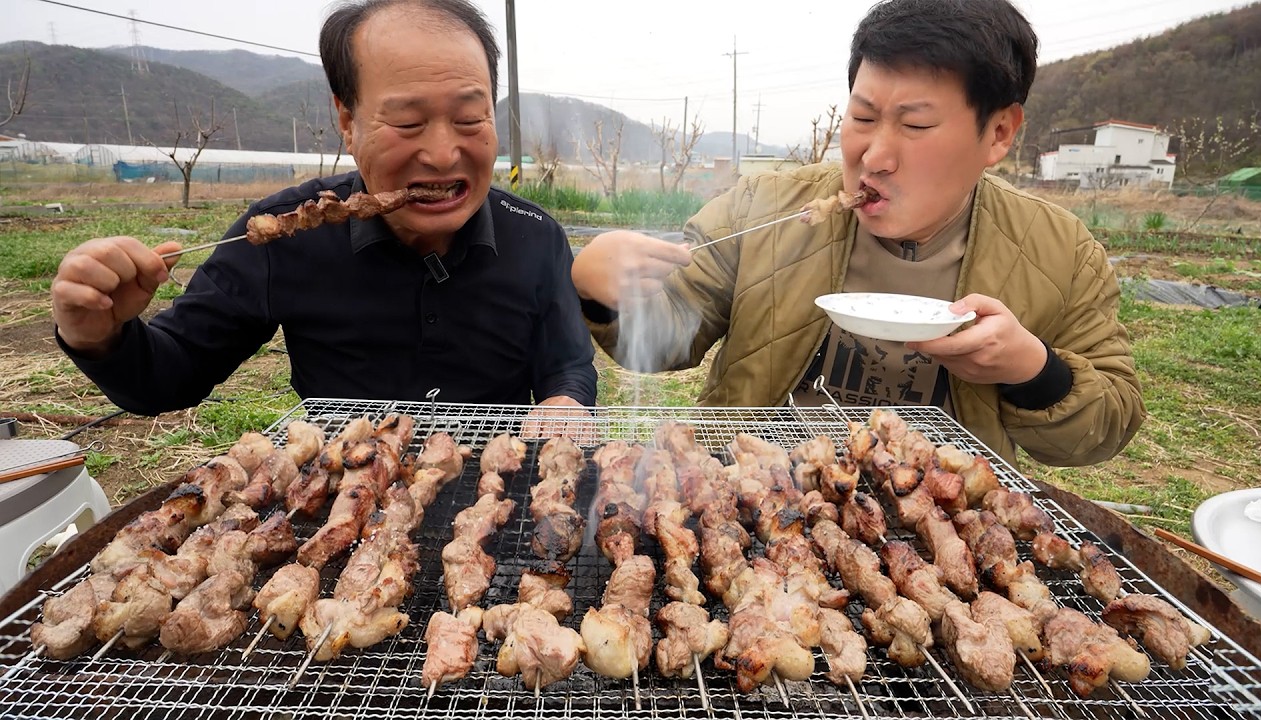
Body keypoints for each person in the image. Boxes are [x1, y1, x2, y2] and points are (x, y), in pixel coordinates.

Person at [571, 0, 1145, 467]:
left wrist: (1034, 371)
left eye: (916, 124)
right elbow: (667, 332)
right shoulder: (762, 209)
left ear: (998, 132)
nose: (874, 155)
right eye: (863, 117)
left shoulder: (1059, 252)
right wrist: (604, 293)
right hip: (751, 503)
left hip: (942, 525)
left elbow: (1107, 424)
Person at [49, 0, 597, 435]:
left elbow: (568, 364)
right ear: (347, 121)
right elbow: (171, 375)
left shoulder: (536, 236)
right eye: (407, 123)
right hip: (338, 502)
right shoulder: (278, 234)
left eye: (470, 117)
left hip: (495, 501)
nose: (441, 154)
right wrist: (100, 337)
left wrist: (566, 400)